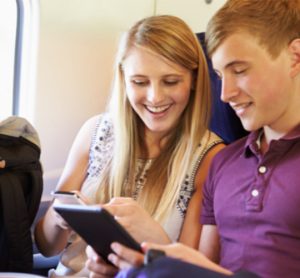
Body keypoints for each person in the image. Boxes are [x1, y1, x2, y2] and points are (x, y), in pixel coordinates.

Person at [86, 0, 300, 277]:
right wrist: (136, 262)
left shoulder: (210, 154)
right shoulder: (225, 163)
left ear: (295, 57)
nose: (225, 94)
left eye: (239, 71)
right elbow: (204, 269)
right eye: (221, 75)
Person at [34, 15, 224, 277]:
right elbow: (46, 248)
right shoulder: (95, 132)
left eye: (170, 81)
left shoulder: (209, 158)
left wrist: (153, 243)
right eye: (140, 82)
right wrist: (58, 219)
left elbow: (191, 271)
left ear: (193, 80)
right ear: (124, 80)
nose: (155, 97)